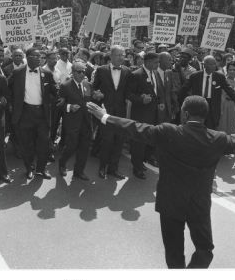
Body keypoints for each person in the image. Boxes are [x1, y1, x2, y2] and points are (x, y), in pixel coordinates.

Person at [87, 96, 235, 268]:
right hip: (199, 204)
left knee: (174, 253)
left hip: (170, 202)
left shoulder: (168, 131)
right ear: (205, 115)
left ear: (185, 114)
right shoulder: (218, 139)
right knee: (205, 250)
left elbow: (135, 128)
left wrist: (105, 117)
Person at [8, 48, 63, 179]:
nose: (40, 59)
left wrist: (61, 96)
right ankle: (29, 168)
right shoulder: (17, 72)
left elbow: (54, 90)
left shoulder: (46, 74)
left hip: (42, 114)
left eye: (41, 57)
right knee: (26, 144)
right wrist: (11, 104)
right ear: (28, 58)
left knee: (43, 143)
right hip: (25, 113)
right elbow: (7, 87)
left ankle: (41, 169)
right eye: (36, 56)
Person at [92, 45, 130, 180]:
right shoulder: (102, 71)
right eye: (118, 55)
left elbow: (129, 91)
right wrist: (96, 95)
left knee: (119, 141)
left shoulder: (127, 71)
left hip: (120, 111)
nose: (121, 57)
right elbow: (94, 88)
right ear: (111, 56)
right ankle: (102, 168)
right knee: (107, 140)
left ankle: (114, 168)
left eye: (123, 55)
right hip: (105, 111)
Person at [177, 55, 235, 130]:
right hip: (198, 106)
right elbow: (183, 90)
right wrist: (177, 103)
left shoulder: (219, 77)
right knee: (197, 130)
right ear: (204, 65)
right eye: (211, 64)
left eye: (215, 64)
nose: (214, 66)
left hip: (212, 108)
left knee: (210, 131)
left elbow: (229, 90)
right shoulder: (195, 76)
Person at [125, 52, 163, 179]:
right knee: (139, 143)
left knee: (154, 140)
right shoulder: (136, 75)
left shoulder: (156, 73)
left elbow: (158, 90)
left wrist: (161, 103)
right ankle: (137, 167)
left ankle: (142, 160)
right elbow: (129, 94)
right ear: (147, 62)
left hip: (155, 114)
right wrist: (141, 100)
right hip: (141, 114)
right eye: (156, 62)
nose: (158, 64)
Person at [57, 62, 97, 180]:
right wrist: (69, 107)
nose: (82, 74)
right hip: (72, 122)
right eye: (79, 71)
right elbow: (60, 105)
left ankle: (79, 171)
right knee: (71, 146)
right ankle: (62, 163)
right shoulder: (65, 86)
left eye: (84, 71)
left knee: (84, 148)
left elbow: (90, 100)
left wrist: (96, 98)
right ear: (72, 72)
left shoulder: (88, 84)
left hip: (86, 121)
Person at [217, 62, 235, 136]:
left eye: (234, 70)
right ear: (227, 70)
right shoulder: (224, 80)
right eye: (230, 70)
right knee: (222, 126)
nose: (232, 71)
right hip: (224, 105)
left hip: (232, 105)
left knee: (230, 127)